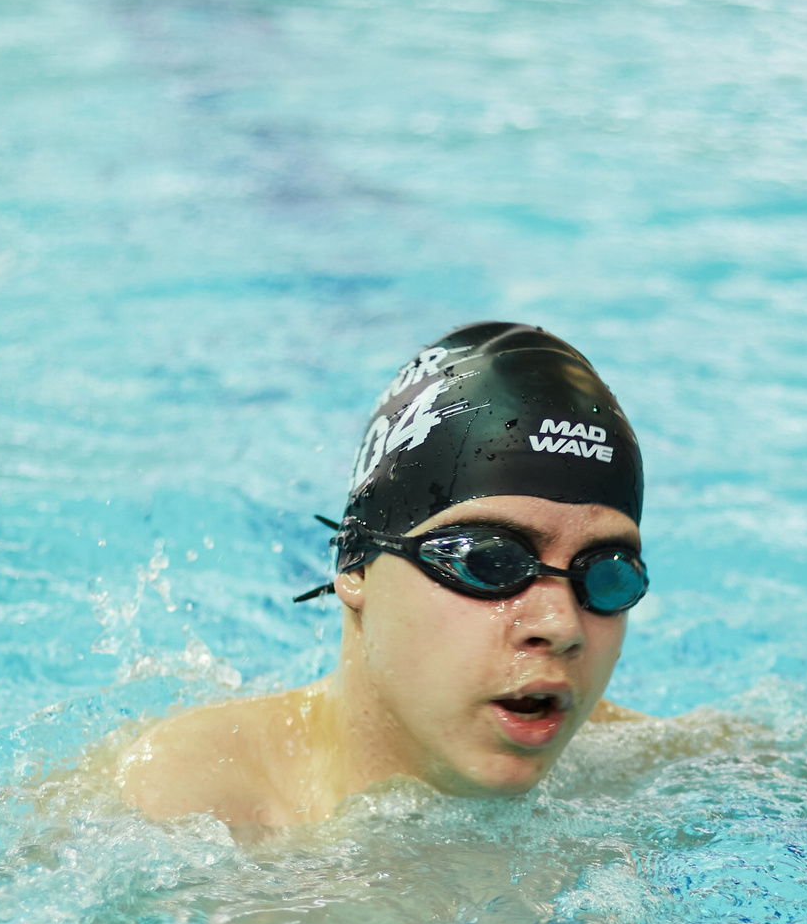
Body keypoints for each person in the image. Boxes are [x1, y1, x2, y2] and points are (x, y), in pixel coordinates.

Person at [94, 322, 654, 830]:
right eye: (490, 560)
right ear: (355, 564)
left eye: (607, 575)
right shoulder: (173, 810)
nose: (561, 625)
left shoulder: (646, 778)